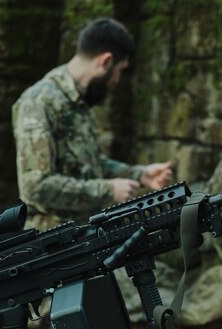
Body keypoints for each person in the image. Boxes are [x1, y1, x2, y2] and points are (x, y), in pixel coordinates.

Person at [12, 17, 172, 230]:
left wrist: (139, 174)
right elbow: (35, 186)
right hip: (53, 245)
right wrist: (107, 191)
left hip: (85, 235)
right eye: (119, 71)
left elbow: (88, 164)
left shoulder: (80, 101)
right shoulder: (38, 103)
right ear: (105, 61)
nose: (116, 81)